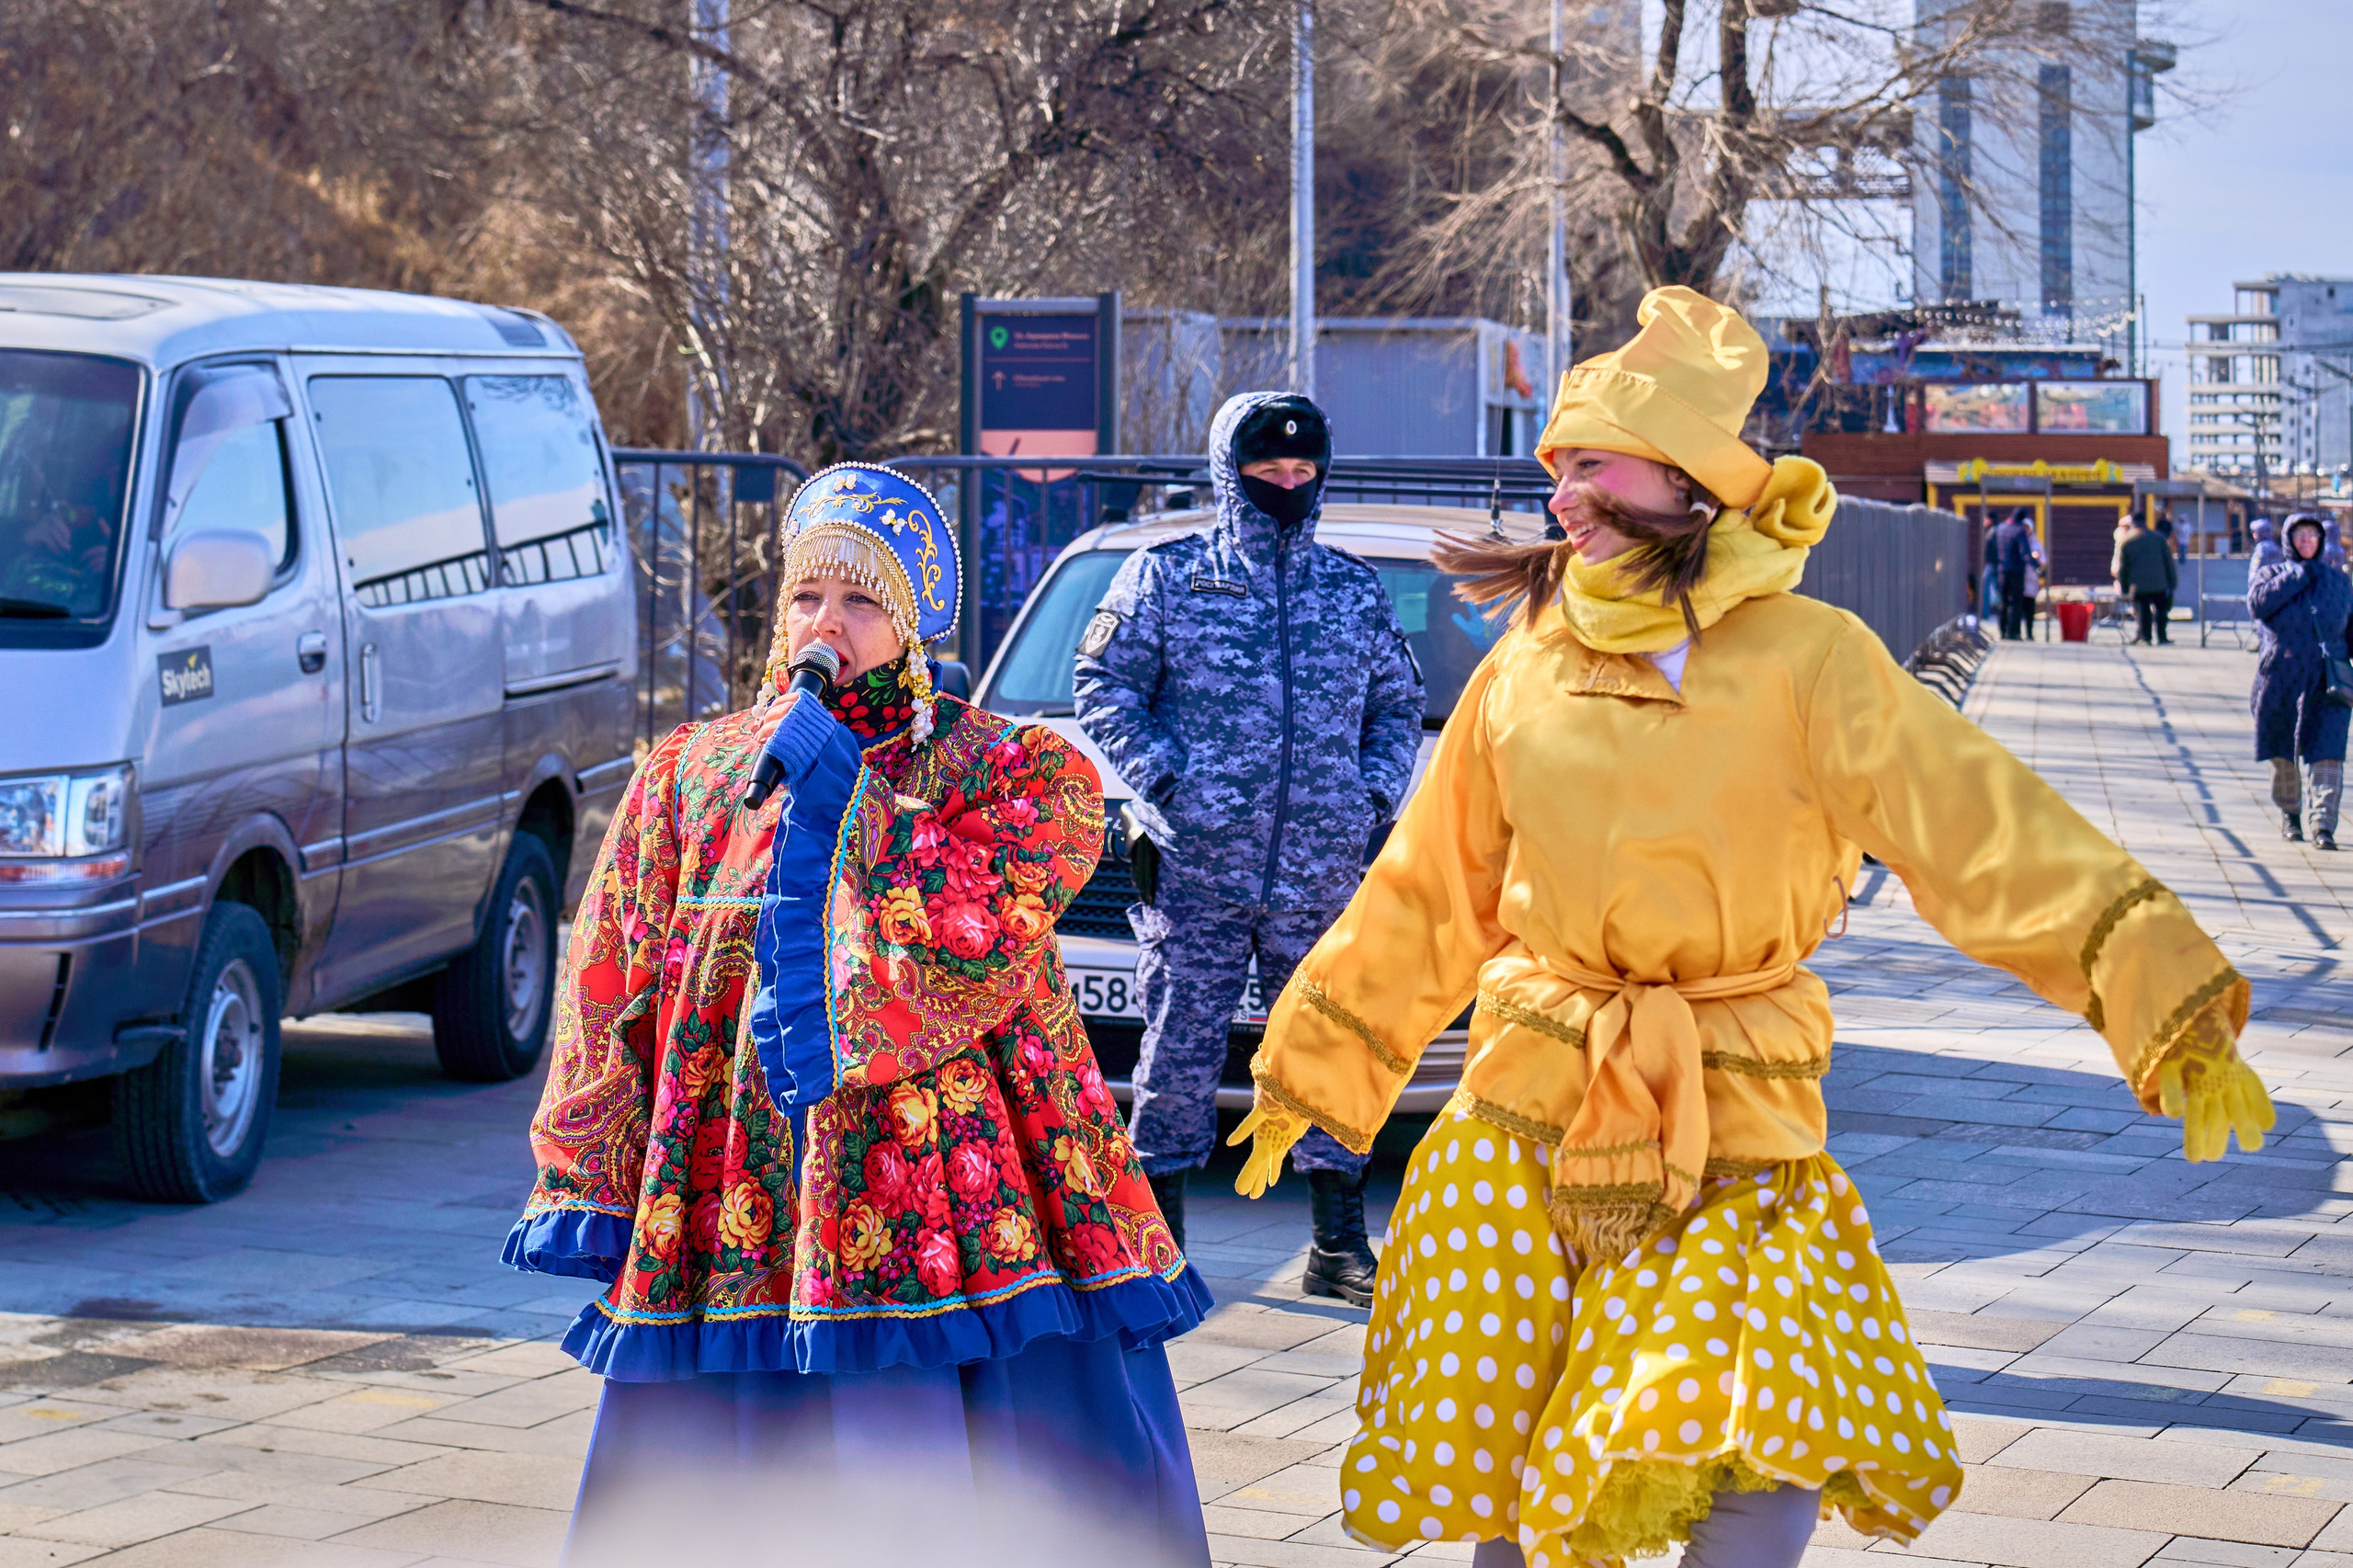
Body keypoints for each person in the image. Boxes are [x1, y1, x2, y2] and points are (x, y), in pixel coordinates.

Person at [1223, 287, 2276, 1568]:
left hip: (1737, 1117)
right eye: (1555, 468)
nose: (1560, 495)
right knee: (1514, 1464)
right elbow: (1430, 885)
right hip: (1524, 1116)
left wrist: (2154, 987)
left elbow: (1980, 829)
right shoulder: (1528, 656)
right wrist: (1316, 1066)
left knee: (1755, 1428)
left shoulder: (1810, 656)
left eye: (1589, 464)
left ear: (1682, 479)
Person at [507, 465, 1212, 1566]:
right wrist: (592, 1167)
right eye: (804, 598)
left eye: (860, 602)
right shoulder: (691, 771)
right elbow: (610, 975)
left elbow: (972, 934)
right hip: (735, 1179)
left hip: (941, 1194)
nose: (823, 625)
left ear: (913, 625)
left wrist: (855, 798)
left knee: (928, 1459)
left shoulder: (1004, 770)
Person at [1074, 392, 1425, 1306]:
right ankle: (1157, 1247)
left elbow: (1396, 706)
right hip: (1195, 868)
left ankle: (1337, 1245)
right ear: (1232, 470)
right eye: (1269, 470)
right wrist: (1167, 778)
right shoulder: (1168, 575)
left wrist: (1370, 793)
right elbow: (1103, 683)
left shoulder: (1350, 589)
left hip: (1318, 871)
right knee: (1178, 1051)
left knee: (1326, 1048)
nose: (1287, 484)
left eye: (1303, 471)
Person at [2250, 512, 2353, 850]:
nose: (2307, 541)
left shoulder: (2338, 581)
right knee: (2283, 753)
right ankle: (2290, 814)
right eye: (2300, 535)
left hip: (2328, 681)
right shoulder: (2271, 574)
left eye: (2313, 535)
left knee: (2328, 751)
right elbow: (2258, 606)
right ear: (2288, 540)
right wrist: (2296, 576)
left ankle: (2323, 825)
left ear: (2322, 540)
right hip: (2281, 678)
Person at [2115, 513, 2179, 644]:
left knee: (2143, 612)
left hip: (2138, 584)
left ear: (2133, 523)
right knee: (2161, 611)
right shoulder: (2159, 539)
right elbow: (2168, 562)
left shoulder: (2127, 541)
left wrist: (2124, 586)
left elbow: (2123, 567)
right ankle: (2162, 637)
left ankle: (2145, 637)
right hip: (2159, 582)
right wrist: (2172, 582)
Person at [1993, 509, 2036, 640]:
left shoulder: (2000, 528)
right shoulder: (2019, 531)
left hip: (2002, 570)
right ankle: (2013, 632)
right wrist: (2037, 566)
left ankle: (2002, 630)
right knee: (2016, 602)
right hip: (2016, 571)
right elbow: (2025, 553)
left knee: (2003, 601)